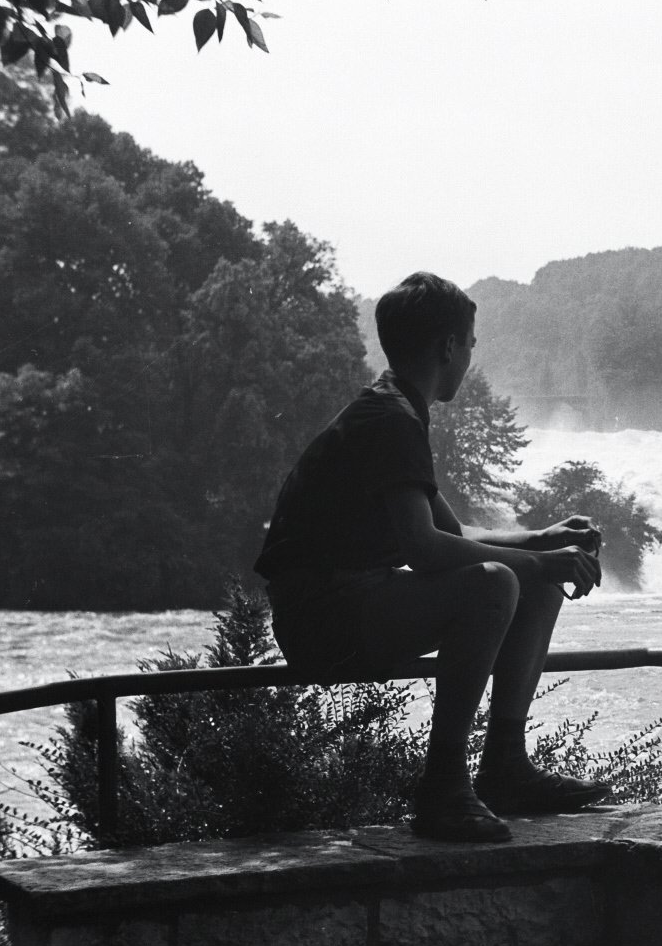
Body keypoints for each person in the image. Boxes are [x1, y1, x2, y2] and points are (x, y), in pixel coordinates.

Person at [253, 271, 609, 842]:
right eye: (469, 343)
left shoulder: (396, 410)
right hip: (320, 617)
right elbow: (424, 550)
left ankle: (504, 767)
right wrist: (540, 562)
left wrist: (542, 540)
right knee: (498, 582)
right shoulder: (392, 420)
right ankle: (443, 788)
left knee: (529, 581)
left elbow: (453, 529)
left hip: (353, 601)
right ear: (448, 346)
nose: (470, 356)